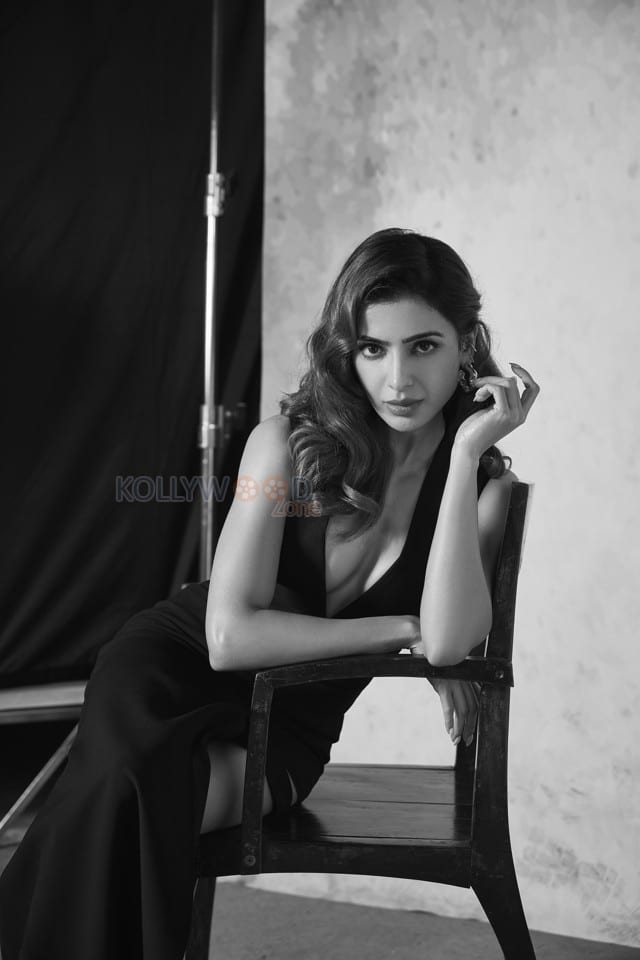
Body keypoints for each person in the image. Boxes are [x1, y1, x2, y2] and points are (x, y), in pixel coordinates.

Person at [0, 227, 539, 959]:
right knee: (131, 786)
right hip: (171, 667)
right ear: (347, 351)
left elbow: (447, 643)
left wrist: (466, 454)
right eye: (373, 349)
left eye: (424, 346)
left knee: (125, 798)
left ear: (466, 344)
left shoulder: (484, 490)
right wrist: (399, 627)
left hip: (286, 730)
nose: (399, 380)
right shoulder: (285, 444)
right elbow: (229, 639)